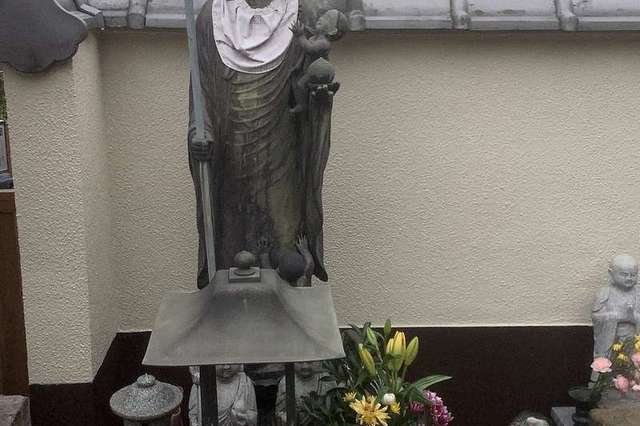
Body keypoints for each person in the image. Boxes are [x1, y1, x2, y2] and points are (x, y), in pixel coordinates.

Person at [189, 0, 336, 289]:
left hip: (282, 157)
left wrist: (318, 99)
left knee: (286, 250)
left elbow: (311, 84)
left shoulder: (301, 14)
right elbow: (201, 93)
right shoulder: (211, 18)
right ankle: (231, 311)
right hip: (230, 159)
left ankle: (291, 309)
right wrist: (199, 132)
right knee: (232, 252)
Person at [289, 9, 348, 113]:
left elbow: (309, 49)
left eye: (327, 18)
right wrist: (298, 66)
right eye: (323, 15)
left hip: (317, 74)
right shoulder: (313, 38)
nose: (321, 18)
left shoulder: (324, 43)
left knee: (300, 85)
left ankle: (302, 105)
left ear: (333, 30)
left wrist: (300, 36)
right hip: (306, 68)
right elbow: (305, 54)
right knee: (295, 82)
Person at [592, 254, 640, 357]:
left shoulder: (638, 294)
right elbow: (596, 317)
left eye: (633, 275)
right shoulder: (604, 293)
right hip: (610, 343)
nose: (629, 278)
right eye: (624, 274)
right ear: (611, 274)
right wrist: (617, 316)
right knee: (610, 364)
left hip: (635, 343)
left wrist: (634, 318)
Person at [189, 364, 258, 426]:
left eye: (231, 362)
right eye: (221, 363)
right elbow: (193, 418)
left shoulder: (245, 382)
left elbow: (252, 418)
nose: (227, 367)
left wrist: (240, 417)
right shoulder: (202, 382)